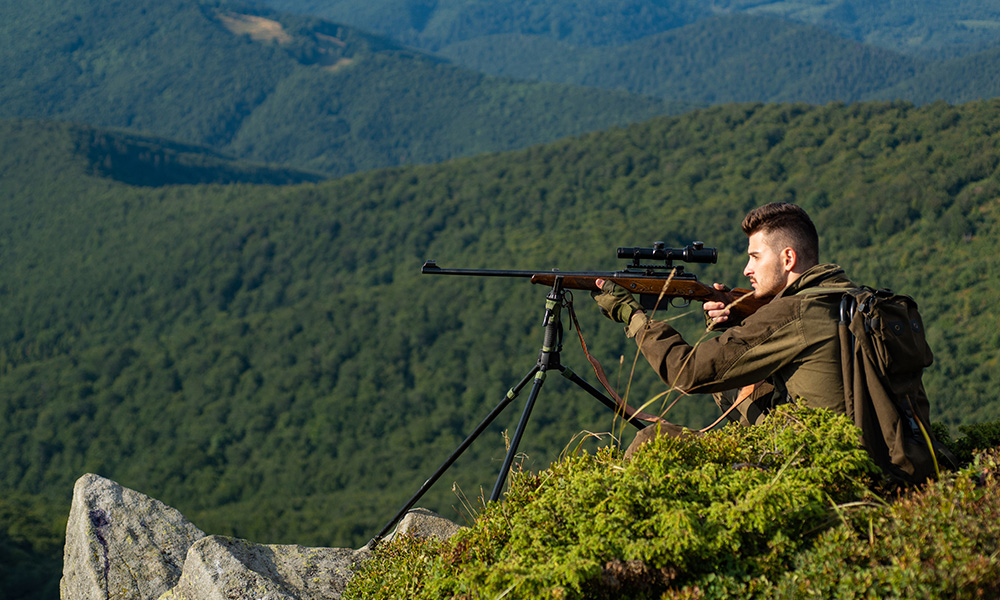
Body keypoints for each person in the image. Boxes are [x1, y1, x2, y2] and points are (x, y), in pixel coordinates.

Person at [593, 201, 857, 432]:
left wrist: (633, 316)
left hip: (811, 458)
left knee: (650, 439)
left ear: (788, 258)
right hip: (860, 442)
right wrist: (739, 319)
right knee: (728, 384)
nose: (747, 270)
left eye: (755, 257)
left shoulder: (791, 312)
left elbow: (687, 373)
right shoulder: (845, 295)